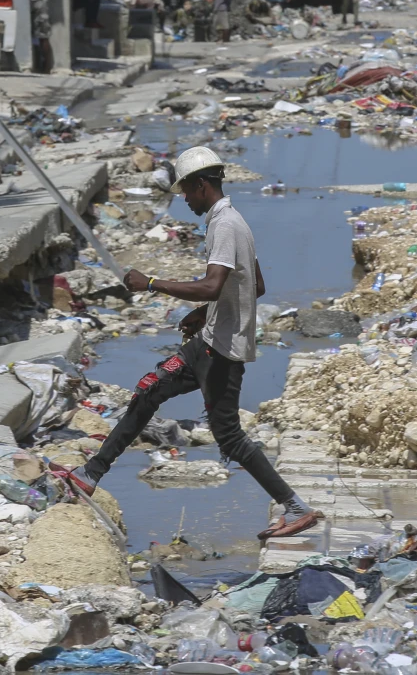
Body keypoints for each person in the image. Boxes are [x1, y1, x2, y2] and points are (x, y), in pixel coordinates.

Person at [54, 147, 321, 541]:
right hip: (208, 340)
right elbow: (253, 285)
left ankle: (295, 507)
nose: (184, 200)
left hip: (221, 352)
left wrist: (150, 283)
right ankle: (92, 472)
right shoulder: (229, 221)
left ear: (202, 185)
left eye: (187, 192)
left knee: (228, 435)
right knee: (149, 390)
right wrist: (204, 314)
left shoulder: (226, 226)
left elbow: (214, 285)